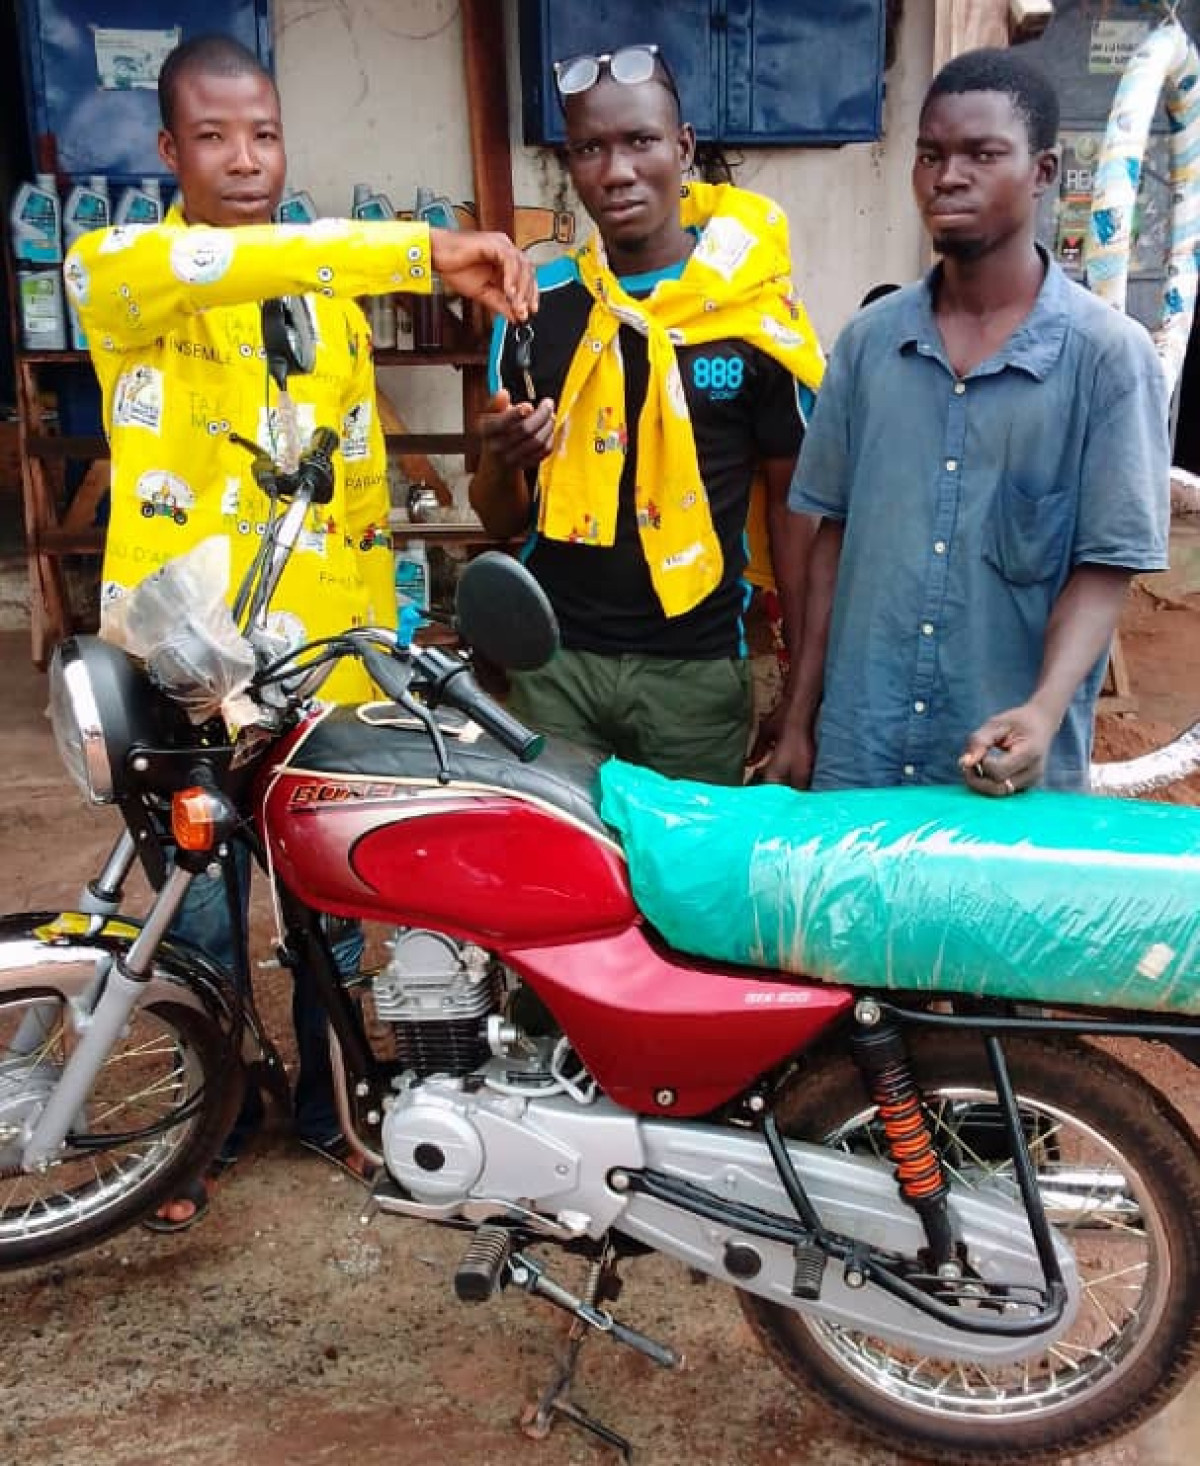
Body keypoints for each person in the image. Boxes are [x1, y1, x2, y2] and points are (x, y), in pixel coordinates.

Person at [65, 33, 536, 1228]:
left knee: (331, 902)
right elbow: (256, 253)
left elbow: (358, 495)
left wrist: (389, 652)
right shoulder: (124, 271)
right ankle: (203, 1129)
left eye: (264, 134)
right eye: (213, 136)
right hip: (179, 663)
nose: (244, 158)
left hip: (317, 669)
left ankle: (336, 1109)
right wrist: (422, 251)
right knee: (200, 902)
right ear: (170, 150)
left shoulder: (326, 310)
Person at [763, 47, 1169, 796]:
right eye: (930, 155)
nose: (948, 176)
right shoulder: (868, 346)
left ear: (1043, 172)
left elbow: (1106, 565)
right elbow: (831, 545)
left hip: (1006, 771)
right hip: (863, 757)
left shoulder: (1108, 361)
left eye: (982, 154)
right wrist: (798, 719)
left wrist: (1045, 713)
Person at [469, 43, 824, 786]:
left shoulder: (752, 313)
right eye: (591, 148)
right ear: (570, 165)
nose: (618, 169)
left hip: (695, 678)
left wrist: (801, 704)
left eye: (641, 141)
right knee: (555, 889)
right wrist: (504, 458)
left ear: (684, 147)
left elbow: (800, 517)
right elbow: (499, 519)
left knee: (685, 900)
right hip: (554, 668)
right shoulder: (538, 309)